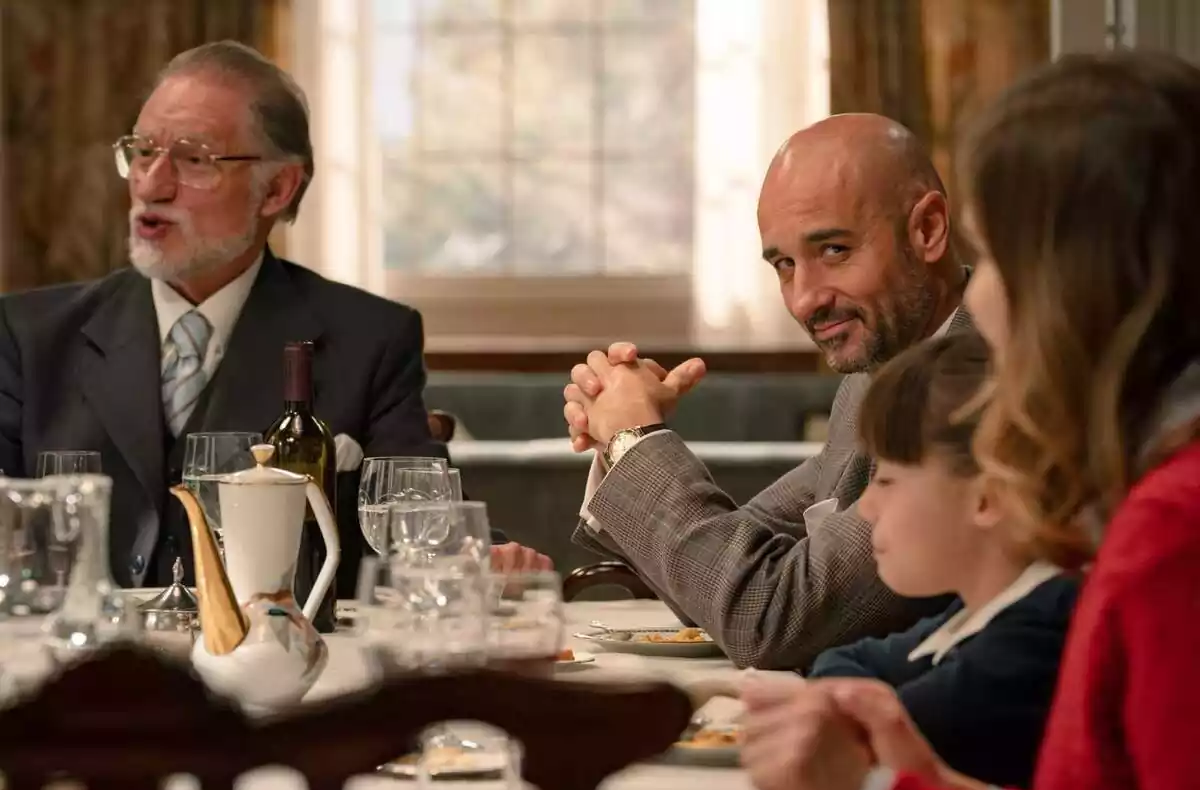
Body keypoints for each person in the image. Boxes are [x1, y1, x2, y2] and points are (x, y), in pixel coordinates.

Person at [739, 50, 1200, 790]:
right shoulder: (1139, 492)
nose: (979, 299)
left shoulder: (1173, 527)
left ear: (1083, 289)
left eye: (1000, 263)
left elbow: (770, 610)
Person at [0, 41, 548, 592]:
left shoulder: (371, 339)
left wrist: (489, 559)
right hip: (78, 665)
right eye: (142, 151)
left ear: (277, 188)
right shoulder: (28, 336)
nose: (151, 183)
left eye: (193, 159)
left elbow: (420, 520)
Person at [563, 113, 970, 669]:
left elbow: (767, 615)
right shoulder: (873, 375)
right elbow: (719, 578)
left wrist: (635, 438)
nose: (804, 301)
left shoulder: (983, 384)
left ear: (927, 230)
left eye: (833, 250)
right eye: (783, 264)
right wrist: (618, 441)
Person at [805, 331, 1080, 788]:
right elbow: (844, 659)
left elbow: (856, 738)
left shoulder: (1032, 642)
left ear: (987, 498)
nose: (867, 507)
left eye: (887, 481)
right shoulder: (980, 610)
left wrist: (859, 709)